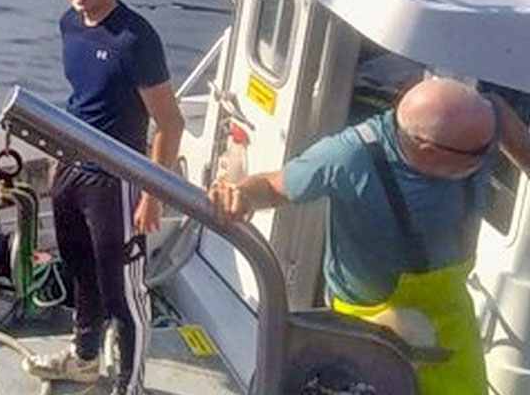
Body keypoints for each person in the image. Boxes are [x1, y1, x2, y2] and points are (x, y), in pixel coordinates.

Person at [208, 77, 530, 395]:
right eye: (480, 153)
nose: (489, 156)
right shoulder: (347, 157)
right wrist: (240, 195)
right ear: (428, 151)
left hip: (450, 317)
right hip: (369, 330)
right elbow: (271, 186)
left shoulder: (487, 119)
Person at [24, 0, 184, 395]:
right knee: (80, 272)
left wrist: (152, 194)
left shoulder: (135, 39)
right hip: (73, 171)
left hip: (119, 179)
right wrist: (62, 162)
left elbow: (170, 124)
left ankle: (129, 386)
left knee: (123, 293)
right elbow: (85, 101)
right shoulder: (69, 25)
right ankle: (85, 359)